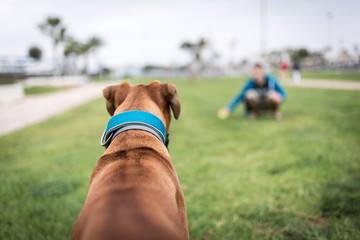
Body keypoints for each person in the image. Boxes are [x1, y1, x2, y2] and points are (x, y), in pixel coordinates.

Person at [218, 64, 286, 120]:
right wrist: (229, 108)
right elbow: (240, 96)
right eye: (254, 72)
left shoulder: (272, 80)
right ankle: (255, 113)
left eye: (258, 71)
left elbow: (282, 92)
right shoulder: (250, 82)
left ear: (262, 72)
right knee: (249, 94)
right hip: (257, 104)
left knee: (273, 95)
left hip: (269, 103)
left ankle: (275, 112)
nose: (256, 73)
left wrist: (280, 97)